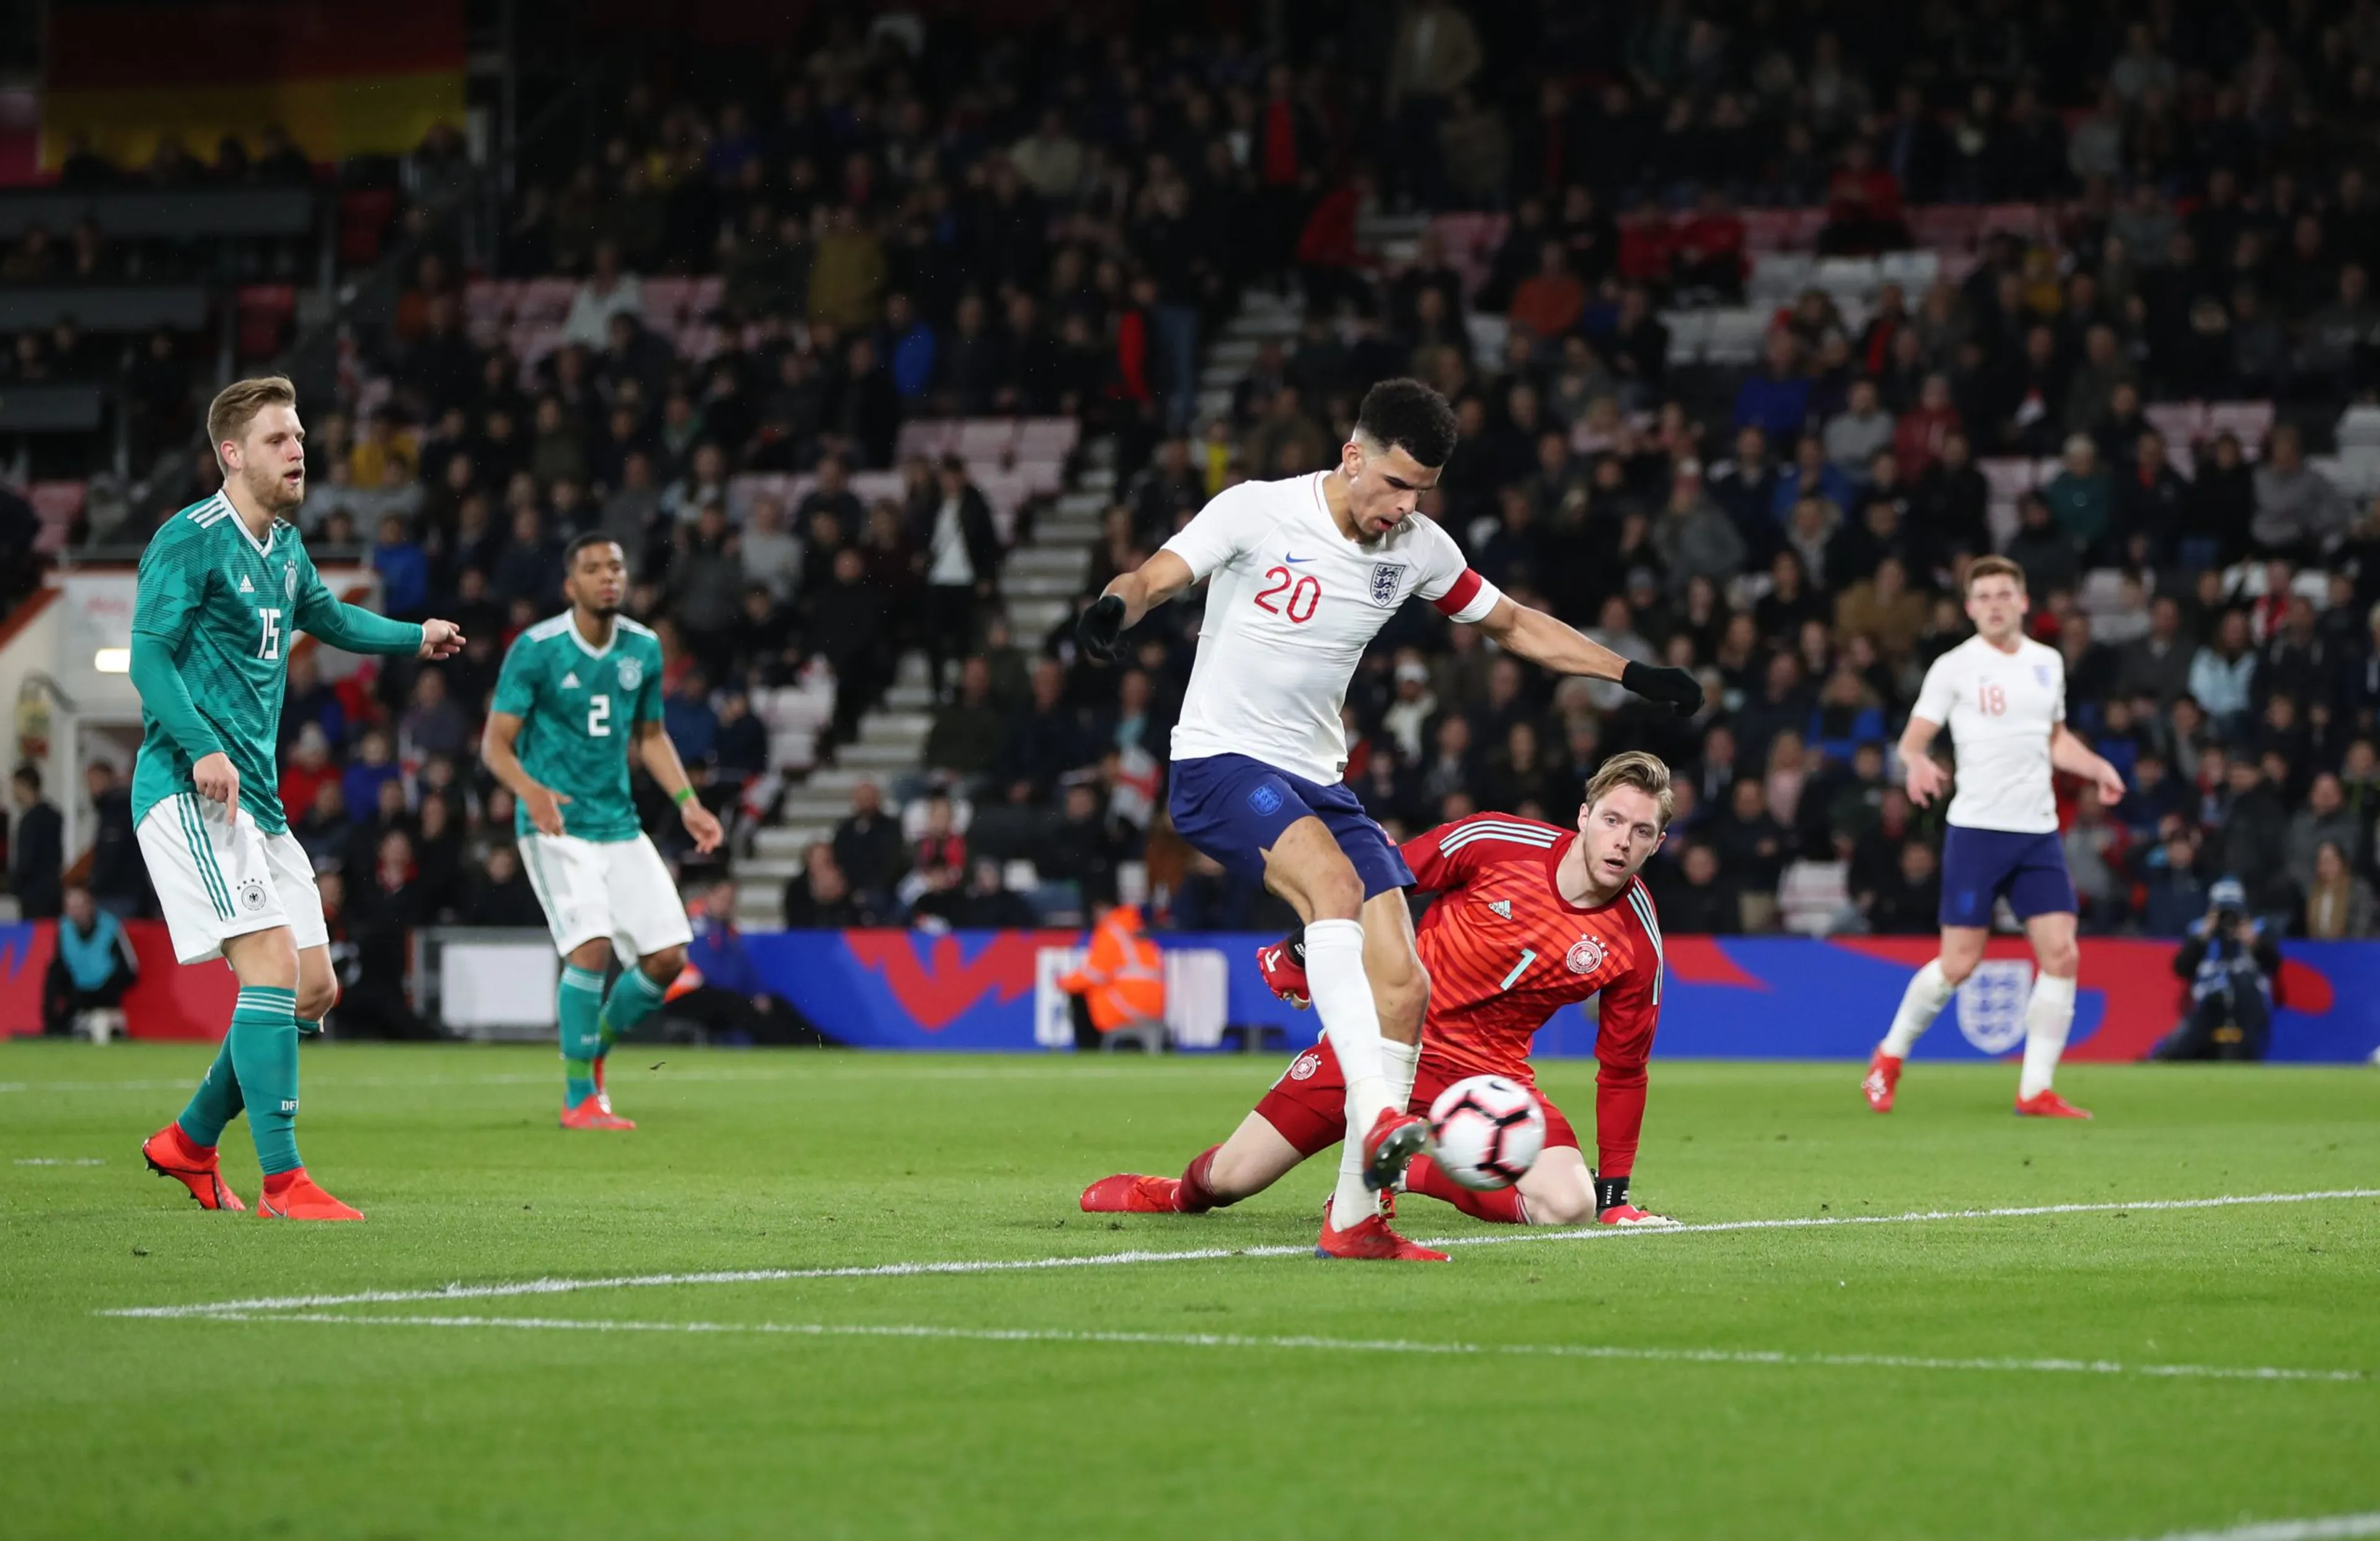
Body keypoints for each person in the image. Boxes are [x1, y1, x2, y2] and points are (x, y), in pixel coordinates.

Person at [1076, 379, 1703, 1261]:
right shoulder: (1257, 510)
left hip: (1318, 784)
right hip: (1221, 763)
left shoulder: (1418, 549)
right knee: (1334, 887)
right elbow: (1153, 577)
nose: (1406, 507)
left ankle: (1356, 1218)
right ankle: (1372, 1119)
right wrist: (1118, 607)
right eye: (1398, 485)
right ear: (1352, 457)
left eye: (1423, 492)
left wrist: (1630, 674)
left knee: (1404, 983)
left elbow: (1514, 624)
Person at [1081, 755, 1679, 1244]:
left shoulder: (1637, 939)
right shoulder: (1496, 842)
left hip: (1487, 1077)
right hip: (1383, 1038)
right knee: (1230, 1179)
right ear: (1584, 815)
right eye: (1612, 819)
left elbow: (1623, 1070)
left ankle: (1403, 1167)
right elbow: (1381, 876)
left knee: (1569, 1202)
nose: (1621, 841)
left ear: (1657, 844)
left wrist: (1615, 1198)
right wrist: (1302, 947)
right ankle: (1174, 1194)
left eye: (1641, 831)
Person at [133, 376, 464, 1220]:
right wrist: (202, 746)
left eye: (301, 437)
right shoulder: (189, 540)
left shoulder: (283, 545)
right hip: (189, 790)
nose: (299, 450)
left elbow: (330, 618)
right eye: (279, 438)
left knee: (314, 988)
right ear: (232, 453)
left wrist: (414, 636)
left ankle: (189, 1142)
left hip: (258, 801)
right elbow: (148, 658)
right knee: (272, 967)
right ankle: (284, 1181)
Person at [1865, 555, 2127, 1120]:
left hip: (2038, 833)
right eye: (1983, 597)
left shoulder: (2047, 662)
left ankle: (2035, 1089)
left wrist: (2097, 766)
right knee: (1959, 963)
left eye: (2004, 594)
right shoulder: (1954, 667)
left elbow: (2054, 739)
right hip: (1978, 832)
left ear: (2023, 601)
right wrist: (1916, 762)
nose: (1994, 605)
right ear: (1969, 608)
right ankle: (1889, 1055)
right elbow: (1913, 740)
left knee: (2062, 953)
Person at [481, 533, 724, 1130]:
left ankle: (596, 1051)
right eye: (593, 568)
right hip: (557, 824)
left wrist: (689, 803)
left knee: (668, 958)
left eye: (615, 566)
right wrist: (531, 791)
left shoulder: (643, 647)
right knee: (590, 946)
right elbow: (495, 745)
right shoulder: (537, 649)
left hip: (619, 824)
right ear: (571, 586)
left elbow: (651, 736)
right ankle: (578, 1099)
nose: (608, 576)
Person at [2152, 879, 2283, 1061]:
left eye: (2233, 911)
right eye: (2222, 912)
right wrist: (2203, 937)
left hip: (2247, 1010)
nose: (2228, 919)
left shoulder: (2259, 930)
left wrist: (2253, 942)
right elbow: (2181, 969)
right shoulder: (2199, 931)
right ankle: (2166, 1057)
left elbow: (2274, 965)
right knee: (2195, 1029)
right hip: (2207, 1010)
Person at [1058, 902, 1167, 1051]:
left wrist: (1064, 983)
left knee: (1079, 994)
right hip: (1155, 1010)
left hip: (1126, 1008)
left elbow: (1094, 975)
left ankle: (1090, 1051)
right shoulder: (1136, 928)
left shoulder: (1112, 931)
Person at [43, 885, 138, 1037]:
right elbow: (62, 963)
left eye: (80, 906)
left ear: (90, 905)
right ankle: (54, 1026)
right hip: (78, 993)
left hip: (106, 992)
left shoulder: (110, 926)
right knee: (53, 970)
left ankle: (109, 1020)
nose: (76, 912)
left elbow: (131, 969)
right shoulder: (64, 929)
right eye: (71, 908)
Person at [10, 764, 64, 919]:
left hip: (33, 894)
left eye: (15, 786)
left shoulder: (29, 821)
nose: (13, 792)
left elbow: (26, 859)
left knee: (34, 932)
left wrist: (14, 885)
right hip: (53, 891)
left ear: (25, 785)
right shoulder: (54, 815)